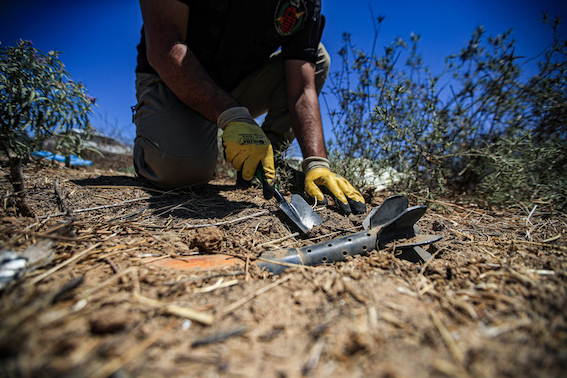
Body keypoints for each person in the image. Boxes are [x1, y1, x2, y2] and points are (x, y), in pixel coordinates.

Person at [133, 0, 366, 214]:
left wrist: (317, 162)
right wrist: (232, 114)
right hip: (173, 78)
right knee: (182, 172)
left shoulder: (304, 4)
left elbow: (302, 88)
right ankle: (149, 149)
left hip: (235, 88)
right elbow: (166, 46)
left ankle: (265, 165)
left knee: (318, 59)